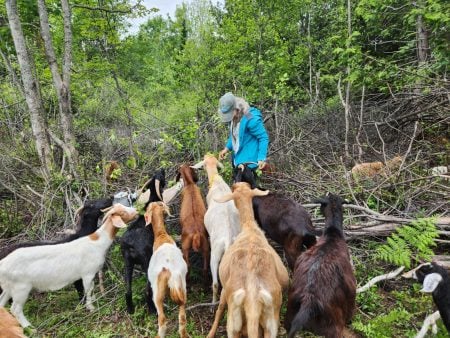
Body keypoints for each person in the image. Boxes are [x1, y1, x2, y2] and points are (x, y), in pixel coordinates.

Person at [217, 92, 269, 184]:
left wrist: (261, 158)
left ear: (236, 109)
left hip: (249, 165)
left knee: (248, 193)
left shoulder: (250, 118)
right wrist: (226, 148)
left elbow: (263, 137)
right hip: (238, 161)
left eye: (229, 114)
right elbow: (235, 135)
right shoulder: (235, 118)